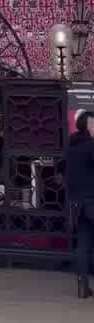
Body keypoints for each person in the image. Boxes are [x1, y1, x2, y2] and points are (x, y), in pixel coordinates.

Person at [65, 110, 94, 299]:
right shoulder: (91, 147)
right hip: (92, 200)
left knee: (83, 244)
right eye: (93, 125)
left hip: (78, 204)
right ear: (87, 127)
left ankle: (82, 286)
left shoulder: (72, 147)